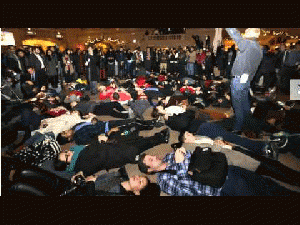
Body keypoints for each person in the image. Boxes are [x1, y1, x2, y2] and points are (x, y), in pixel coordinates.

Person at [137, 147, 300, 196]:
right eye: (150, 160)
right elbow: (188, 193)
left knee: (266, 183)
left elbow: (195, 158)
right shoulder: (164, 181)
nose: (153, 157)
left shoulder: (169, 155)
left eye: (151, 155)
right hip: (221, 187)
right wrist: (181, 165)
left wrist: (184, 153)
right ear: (150, 171)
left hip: (227, 169)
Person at [54, 128, 170, 177]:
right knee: (132, 147)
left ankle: (157, 137)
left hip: (110, 145)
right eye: (66, 157)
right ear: (68, 164)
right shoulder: (82, 167)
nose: (69, 153)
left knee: (128, 136)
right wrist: (102, 143)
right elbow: (101, 159)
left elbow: (91, 146)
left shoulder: (78, 152)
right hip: (114, 155)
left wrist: (101, 139)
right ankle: (159, 138)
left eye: (66, 152)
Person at [225, 28, 263, 133]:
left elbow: (236, 35)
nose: (244, 33)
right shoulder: (259, 48)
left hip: (239, 80)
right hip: (246, 80)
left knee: (237, 105)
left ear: (253, 33)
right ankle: (248, 124)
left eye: (247, 31)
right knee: (245, 104)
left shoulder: (248, 43)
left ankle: (237, 128)